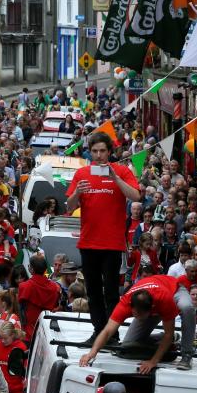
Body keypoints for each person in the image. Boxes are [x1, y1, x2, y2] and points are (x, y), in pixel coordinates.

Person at [66, 130, 141, 346]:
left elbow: (136, 196)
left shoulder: (122, 170)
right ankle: (98, 332)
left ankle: (112, 335)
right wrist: (77, 193)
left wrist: (115, 178)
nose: (99, 155)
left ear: (110, 152)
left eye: (102, 151)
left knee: (111, 292)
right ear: (90, 153)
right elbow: (69, 208)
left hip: (112, 243)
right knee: (93, 292)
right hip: (88, 243)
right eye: (95, 151)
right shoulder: (81, 174)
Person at [80, 274, 195, 373]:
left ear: (152, 310)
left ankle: (187, 354)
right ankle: (168, 339)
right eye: (135, 315)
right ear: (131, 307)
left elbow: (168, 334)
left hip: (174, 289)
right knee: (129, 344)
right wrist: (92, 352)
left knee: (187, 307)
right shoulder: (125, 303)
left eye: (140, 316)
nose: (137, 318)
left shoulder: (164, 300)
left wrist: (153, 361)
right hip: (153, 299)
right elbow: (107, 331)